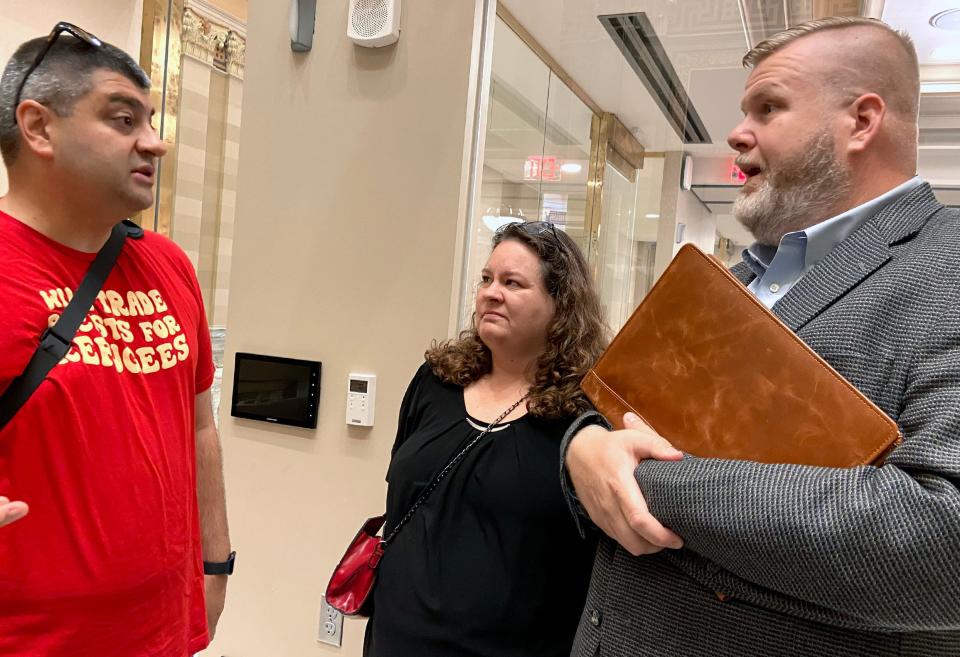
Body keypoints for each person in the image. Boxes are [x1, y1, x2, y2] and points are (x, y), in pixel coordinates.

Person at [561, 16, 960, 657]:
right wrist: (581, 447)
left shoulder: (947, 267)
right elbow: (614, 401)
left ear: (862, 122)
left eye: (767, 108)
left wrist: (638, 474)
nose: (737, 134)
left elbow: (945, 543)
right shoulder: (736, 276)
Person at [0, 24, 232, 656]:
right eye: (124, 119)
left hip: (160, 628)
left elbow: (199, 426)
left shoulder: (170, 264)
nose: (155, 143)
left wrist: (216, 563)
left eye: (150, 120)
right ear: (39, 127)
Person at [363, 221, 608, 657]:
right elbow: (398, 499)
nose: (491, 293)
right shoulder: (435, 383)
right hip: (395, 639)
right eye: (487, 279)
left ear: (560, 305)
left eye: (513, 283)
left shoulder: (582, 421)